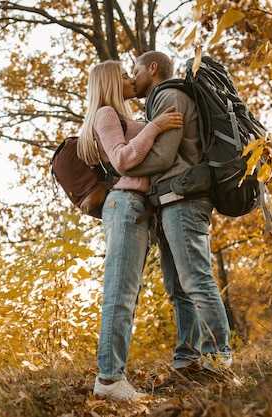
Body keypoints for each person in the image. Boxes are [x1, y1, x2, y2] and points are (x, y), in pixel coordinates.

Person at [124, 51, 233, 387]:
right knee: (178, 289)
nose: (133, 76)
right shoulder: (161, 97)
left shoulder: (170, 95)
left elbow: (163, 155)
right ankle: (188, 365)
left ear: (152, 68)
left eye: (136, 70)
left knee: (196, 280)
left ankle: (219, 364)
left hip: (184, 200)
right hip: (170, 201)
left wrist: (121, 169)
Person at [77, 60, 184, 400]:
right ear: (110, 82)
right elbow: (122, 160)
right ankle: (109, 380)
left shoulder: (120, 116)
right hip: (123, 206)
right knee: (119, 292)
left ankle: (112, 376)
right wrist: (155, 127)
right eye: (124, 75)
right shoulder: (106, 114)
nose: (130, 78)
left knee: (128, 292)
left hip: (137, 209)